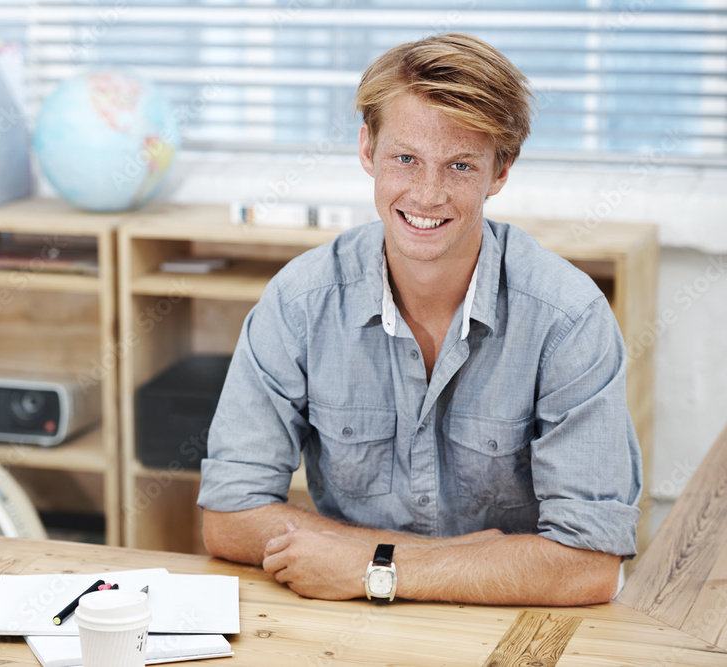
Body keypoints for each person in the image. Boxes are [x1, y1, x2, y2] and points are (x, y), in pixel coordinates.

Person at [196, 33, 642, 606]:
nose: (427, 193)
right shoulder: (300, 301)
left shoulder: (568, 319)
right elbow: (229, 514)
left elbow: (589, 565)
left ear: (500, 171)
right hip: (345, 621)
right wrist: (429, 561)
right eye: (405, 158)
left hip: (513, 626)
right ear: (367, 150)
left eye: (460, 165)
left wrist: (372, 568)